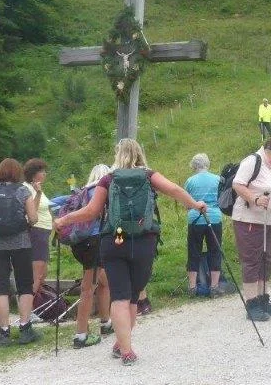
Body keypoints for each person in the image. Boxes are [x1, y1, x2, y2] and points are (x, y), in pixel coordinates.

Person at [53, 139, 206, 365]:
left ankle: (125, 350)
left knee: (120, 297)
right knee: (133, 297)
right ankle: (121, 344)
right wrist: (195, 204)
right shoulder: (148, 176)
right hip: (144, 241)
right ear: (139, 154)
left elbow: (92, 211)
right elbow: (174, 189)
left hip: (116, 239)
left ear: (118, 155)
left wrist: (64, 219)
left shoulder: (108, 179)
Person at [0, 158, 41, 346]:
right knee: (24, 286)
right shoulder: (23, 191)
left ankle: (4, 333)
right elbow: (34, 218)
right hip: (20, 243)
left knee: (1, 288)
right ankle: (25, 328)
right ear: (18, 172)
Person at [231, 134, 271, 322]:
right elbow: (238, 185)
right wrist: (256, 199)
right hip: (249, 219)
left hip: (268, 220)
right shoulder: (253, 161)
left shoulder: (270, 167)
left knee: (266, 260)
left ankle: (262, 298)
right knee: (252, 261)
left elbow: (270, 194)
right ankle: (251, 304)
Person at [69, 164, 113, 349]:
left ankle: (106, 322)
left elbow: (56, 203)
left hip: (78, 243)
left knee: (104, 283)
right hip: (94, 243)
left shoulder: (82, 192)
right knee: (88, 289)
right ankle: (81, 336)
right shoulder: (103, 191)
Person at [185, 153, 223, 296]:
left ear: (194, 166)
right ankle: (214, 287)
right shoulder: (218, 179)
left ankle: (192, 287)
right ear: (207, 164)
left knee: (193, 251)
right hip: (214, 218)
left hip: (195, 219)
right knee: (215, 251)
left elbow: (187, 203)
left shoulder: (190, 181)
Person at [23, 158, 53, 296]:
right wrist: (38, 193)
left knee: (43, 271)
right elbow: (31, 214)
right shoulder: (28, 189)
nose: (45, 174)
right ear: (34, 174)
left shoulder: (37, 188)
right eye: (42, 171)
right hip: (36, 231)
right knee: (37, 272)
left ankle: (36, 304)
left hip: (44, 233)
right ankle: (29, 307)